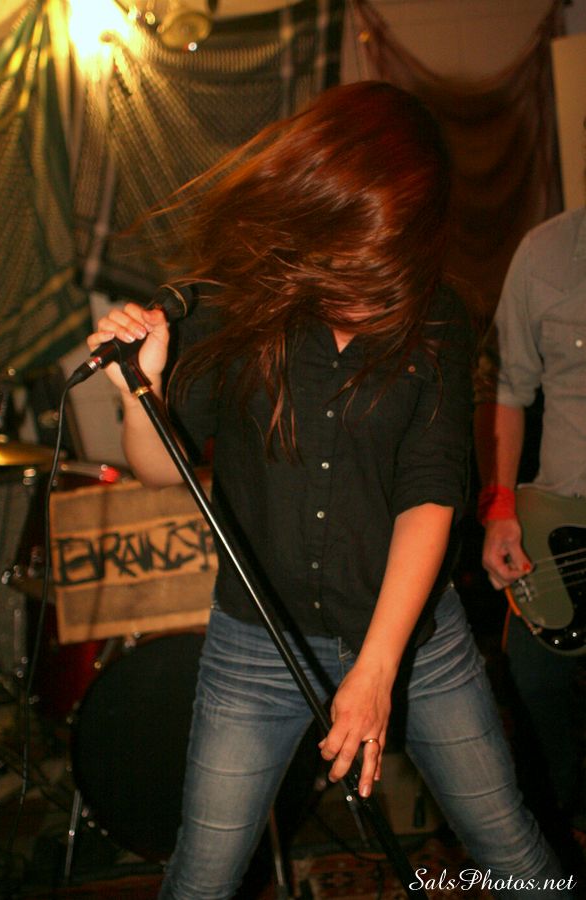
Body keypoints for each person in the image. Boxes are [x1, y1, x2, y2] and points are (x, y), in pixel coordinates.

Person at [88, 81, 568, 899]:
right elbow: (161, 468)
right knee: (200, 879)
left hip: (416, 642)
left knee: (516, 858)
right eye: (337, 246)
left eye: (373, 255)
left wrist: (377, 671)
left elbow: (430, 493)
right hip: (257, 646)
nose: (350, 273)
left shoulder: (440, 320)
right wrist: (144, 392)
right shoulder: (243, 308)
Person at [474, 206, 586, 859]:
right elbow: (504, 391)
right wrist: (499, 509)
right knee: (531, 682)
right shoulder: (544, 253)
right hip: (562, 527)